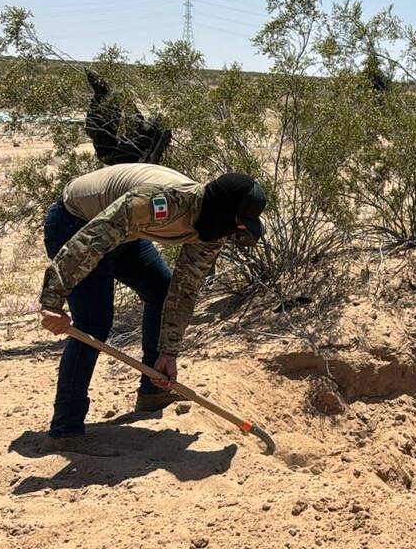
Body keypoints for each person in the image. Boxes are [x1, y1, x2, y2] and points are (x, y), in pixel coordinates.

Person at [38, 163, 266, 456]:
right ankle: (65, 431)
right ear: (222, 210)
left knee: (161, 290)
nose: (237, 231)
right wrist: (52, 300)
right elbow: (92, 238)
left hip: (126, 232)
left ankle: (153, 389)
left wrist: (168, 352)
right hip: (77, 222)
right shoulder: (162, 202)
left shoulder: (212, 231)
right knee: (93, 323)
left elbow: (184, 289)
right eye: (238, 222)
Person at [84, 68, 172, 166]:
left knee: (103, 132)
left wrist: (124, 101)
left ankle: (103, 95)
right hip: (116, 153)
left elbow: (133, 118)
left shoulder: (143, 139)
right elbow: (133, 118)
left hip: (114, 156)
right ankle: (103, 95)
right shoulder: (143, 136)